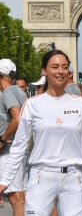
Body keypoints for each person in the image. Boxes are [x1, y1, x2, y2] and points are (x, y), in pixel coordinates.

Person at [0, 49, 82, 215]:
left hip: (73, 177)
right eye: (55, 67)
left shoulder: (81, 103)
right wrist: (4, 181)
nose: (60, 71)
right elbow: (19, 146)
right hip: (40, 177)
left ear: (69, 72)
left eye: (64, 67)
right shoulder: (32, 104)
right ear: (44, 70)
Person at [0, 59, 28, 216]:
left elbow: (16, 119)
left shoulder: (9, 92)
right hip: (19, 149)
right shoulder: (20, 91)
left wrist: (2, 139)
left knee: (15, 198)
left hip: (10, 151)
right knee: (21, 196)